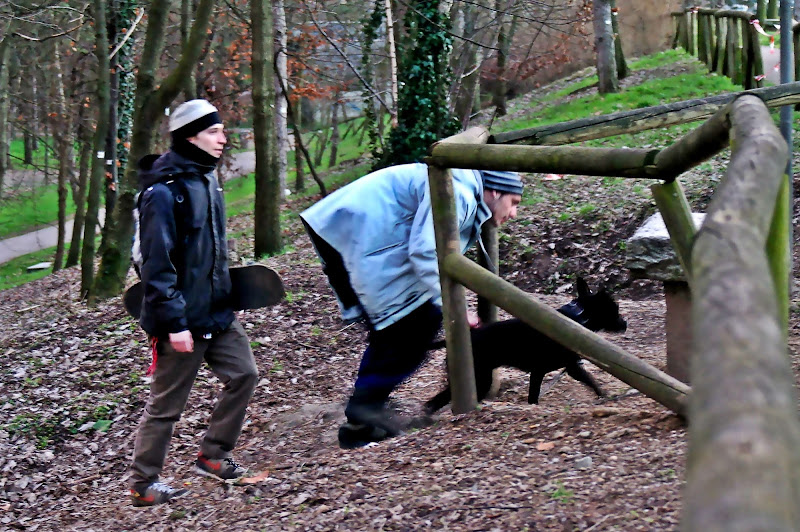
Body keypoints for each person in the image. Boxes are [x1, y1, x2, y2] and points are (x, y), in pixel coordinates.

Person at [299, 163, 522, 448]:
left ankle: (367, 412)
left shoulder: (464, 190)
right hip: (358, 227)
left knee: (408, 326)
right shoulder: (460, 195)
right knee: (409, 326)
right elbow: (425, 250)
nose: (514, 213)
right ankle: (363, 414)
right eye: (513, 202)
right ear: (493, 191)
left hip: (357, 227)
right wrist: (453, 307)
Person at [128, 99, 258, 506]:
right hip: (179, 318)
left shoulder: (207, 180)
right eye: (214, 131)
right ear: (190, 137)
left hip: (216, 312)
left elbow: (212, 251)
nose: (223, 138)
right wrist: (174, 323)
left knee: (244, 375)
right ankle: (143, 484)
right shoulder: (163, 193)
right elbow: (156, 264)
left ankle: (214, 455)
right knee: (166, 407)